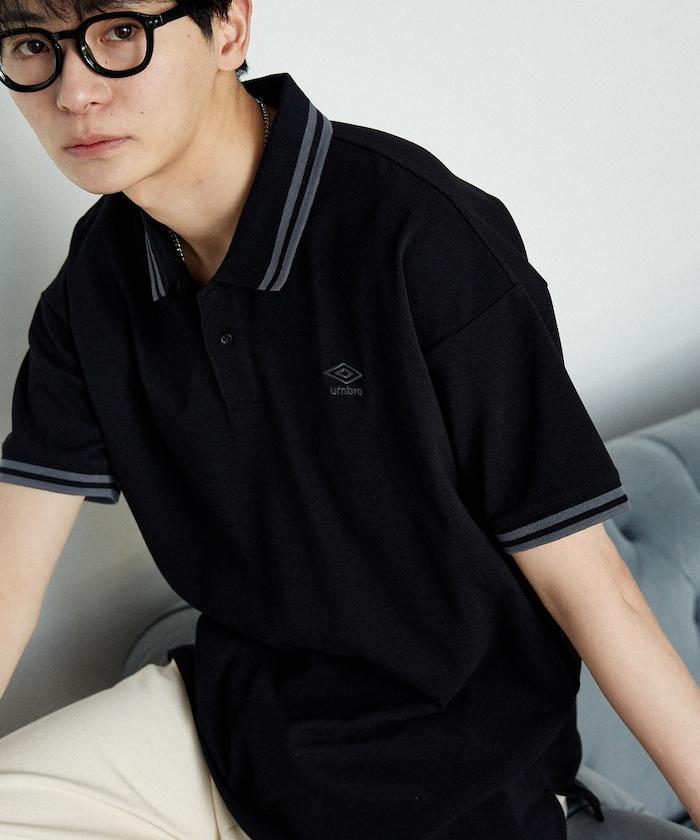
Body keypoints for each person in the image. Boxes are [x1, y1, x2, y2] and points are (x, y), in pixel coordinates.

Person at [0, 0, 698, 837]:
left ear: (230, 29)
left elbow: (595, 591)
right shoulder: (95, 281)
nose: (73, 90)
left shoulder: (420, 233)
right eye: (33, 44)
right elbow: (8, 583)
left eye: (120, 32)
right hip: (237, 729)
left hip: (456, 774)